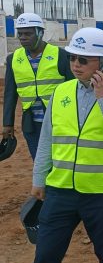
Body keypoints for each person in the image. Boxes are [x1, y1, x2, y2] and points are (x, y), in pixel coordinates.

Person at [28, 27, 103, 263]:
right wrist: (39, 178)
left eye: (83, 60)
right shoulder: (61, 93)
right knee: (45, 255)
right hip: (61, 190)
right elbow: (47, 138)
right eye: (72, 58)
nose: (75, 65)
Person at [2, 13, 73, 160]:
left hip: (59, 122)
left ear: (40, 33)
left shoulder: (61, 55)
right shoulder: (13, 59)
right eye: (20, 34)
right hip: (31, 125)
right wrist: (7, 123)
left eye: (28, 33)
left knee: (60, 162)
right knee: (40, 162)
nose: (23, 37)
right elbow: (10, 94)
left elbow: (74, 89)